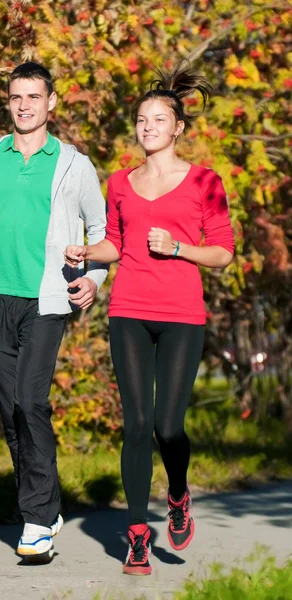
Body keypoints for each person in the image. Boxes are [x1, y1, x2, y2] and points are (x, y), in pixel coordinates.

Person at [0, 62, 108, 560]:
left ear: (52, 102)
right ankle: (46, 507)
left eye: (34, 96)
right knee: (12, 412)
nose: (24, 105)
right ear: (8, 103)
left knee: (31, 403)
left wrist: (92, 280)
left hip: (48, 299)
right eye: (16, 97)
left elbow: (102, 236)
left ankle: (35, 519)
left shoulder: (74, 165)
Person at [65, 63, 234, 575]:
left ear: (178, 127)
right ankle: (138, 534)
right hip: (129, 310)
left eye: (158, 120)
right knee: (136, 425)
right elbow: (114, 245)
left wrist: (179, 247)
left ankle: (178, 493)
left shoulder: (205, 180)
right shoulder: (119, 181)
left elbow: (223, 253)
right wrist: (84, 251)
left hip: (183, 314)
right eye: (141, 120)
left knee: (167, 427)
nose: (147, 128)